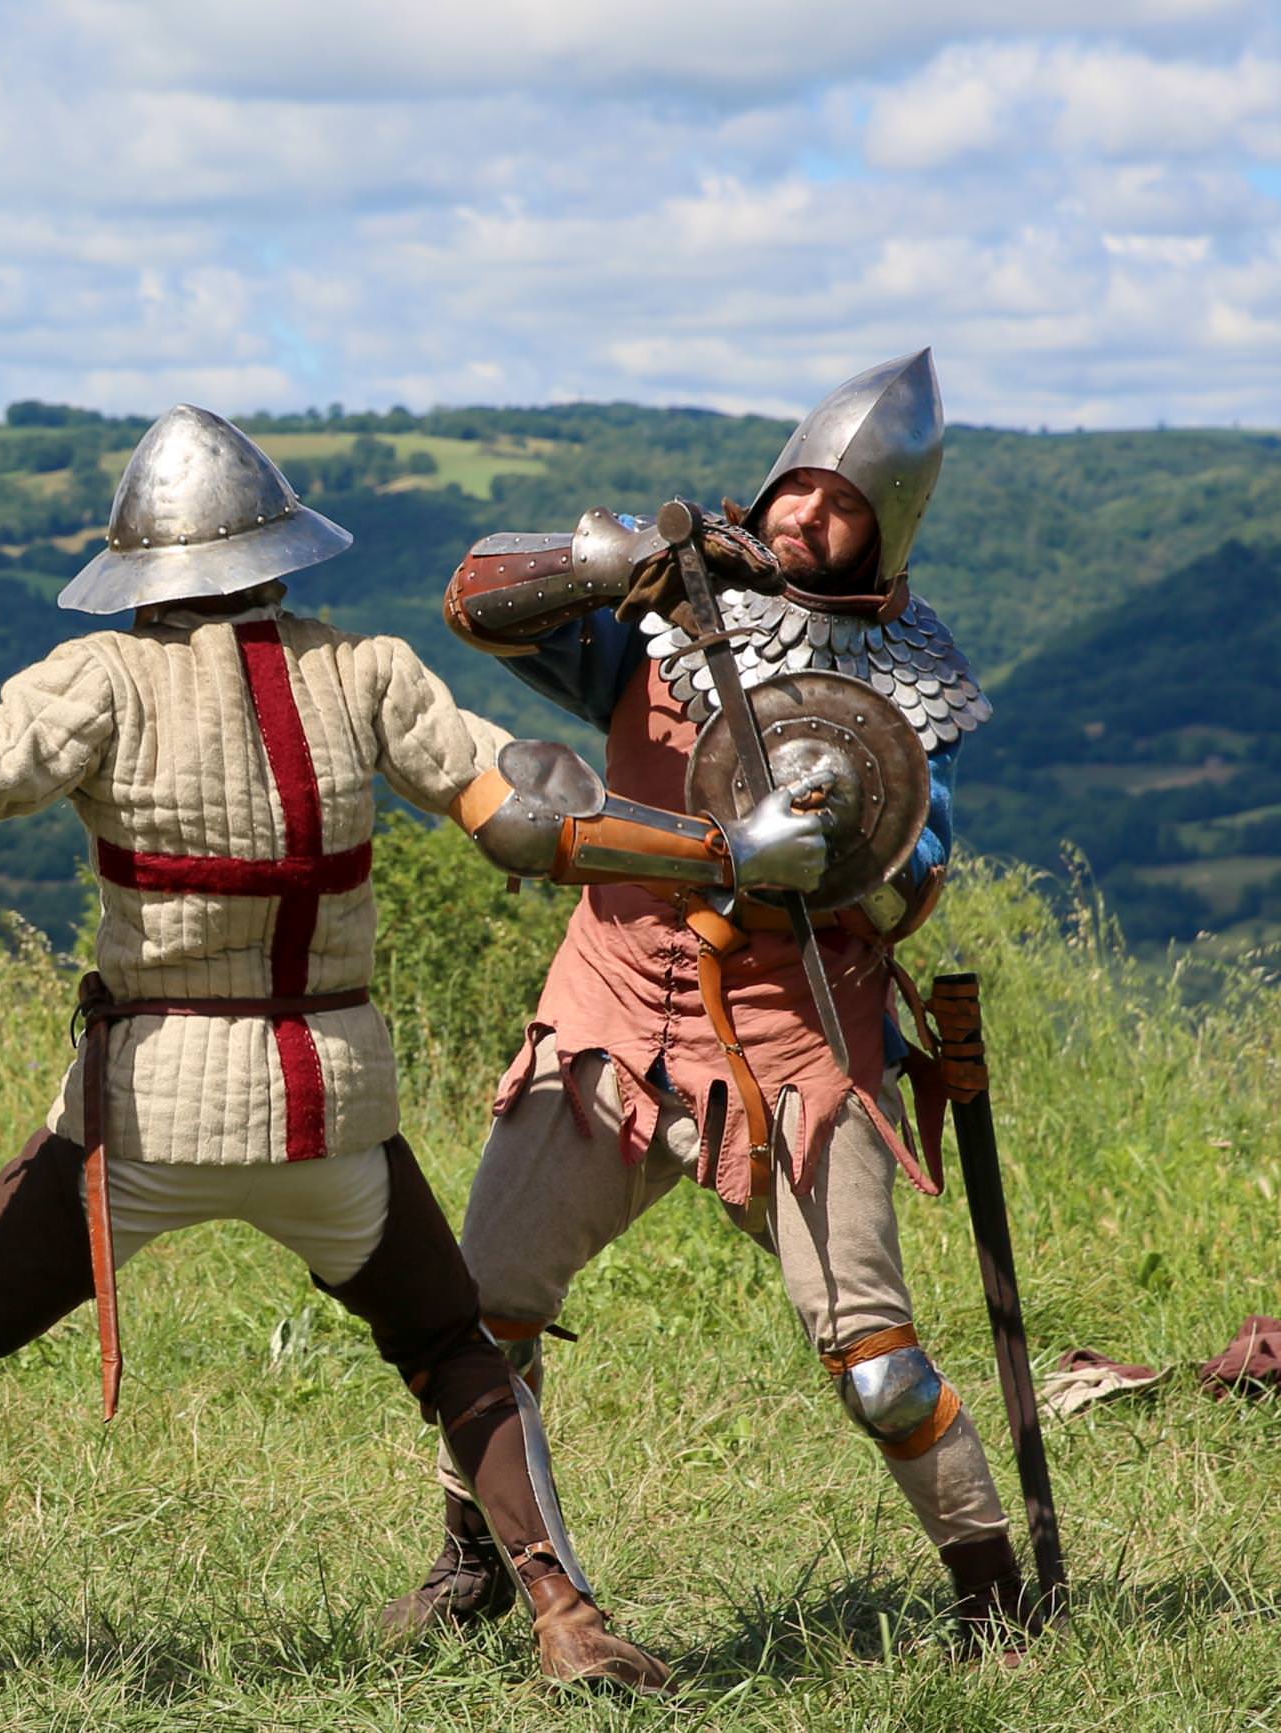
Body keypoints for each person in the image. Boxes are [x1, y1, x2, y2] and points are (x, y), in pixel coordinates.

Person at [0, 405, 846, 1692]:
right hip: (331, 1118)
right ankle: (566, 1617)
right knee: (455, 1356)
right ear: (274, 552)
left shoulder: (99, 677)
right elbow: (532, 814)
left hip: (142, 1118)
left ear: (142, 570)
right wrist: (722, 849)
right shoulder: (366, 671)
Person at [408, 350, 1032, 1653]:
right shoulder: (665, 613)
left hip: (798, 1041)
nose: (806, 515)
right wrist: (606, 564)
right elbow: (477, 603)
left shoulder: (912, 669)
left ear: (887, 522)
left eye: (840, 502)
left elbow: (916, 874)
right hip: (608, 1015)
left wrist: (848, 860)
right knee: (483, 1315)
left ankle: (994, 1601)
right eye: (797, 487)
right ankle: (480, 1562)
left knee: (877, 1364)